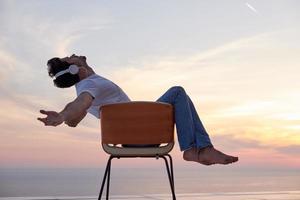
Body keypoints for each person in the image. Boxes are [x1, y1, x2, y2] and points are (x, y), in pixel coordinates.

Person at [38, 54, 238, 165]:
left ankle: (199, 150)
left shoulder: (91, 83)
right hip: (144, 136)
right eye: (69, 58)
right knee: (177, 92)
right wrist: (63, 115)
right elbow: (79, 105)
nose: (73, 55)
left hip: (131, 140)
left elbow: (75, 118)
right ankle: (196, 150)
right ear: (74, 69)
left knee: (181, 96)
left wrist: (67, 117)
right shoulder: (90, 87)